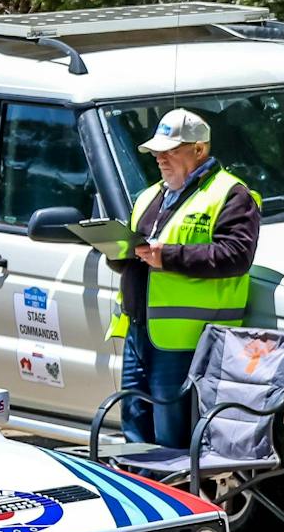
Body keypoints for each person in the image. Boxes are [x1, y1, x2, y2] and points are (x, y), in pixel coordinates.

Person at [105, 108, 261, 448]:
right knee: (135, 431)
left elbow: (235, 256)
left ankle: (177, 500)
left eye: (170, 150)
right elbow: (140, 259)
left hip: (186, 342)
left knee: (171, 440)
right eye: (157, 151)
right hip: (139, 333)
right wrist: (118, 253)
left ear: (199, 150)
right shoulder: (149, 196)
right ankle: (140, 497)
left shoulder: (231, 194)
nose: (160, 158)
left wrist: (169, 256)